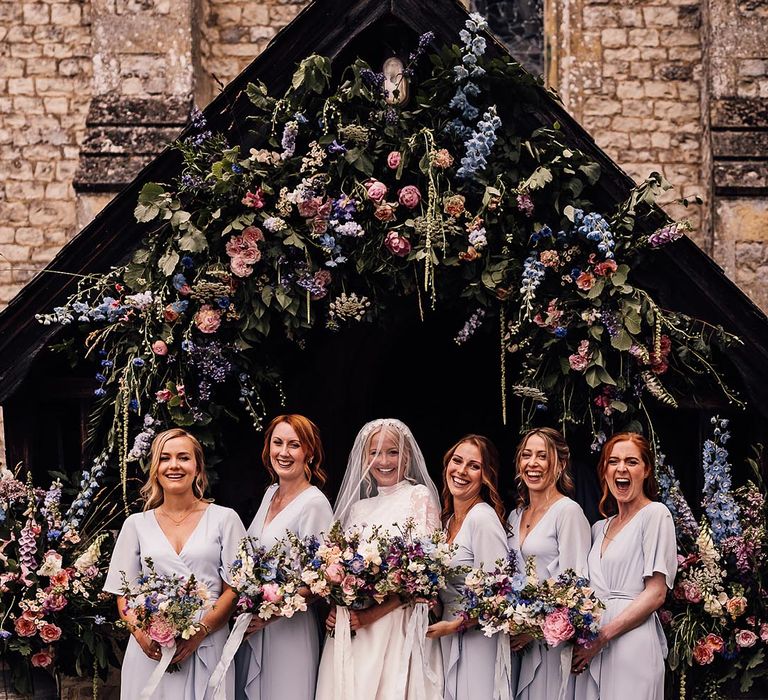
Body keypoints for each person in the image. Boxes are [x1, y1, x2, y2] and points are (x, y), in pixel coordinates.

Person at [104, 428, 246, 700]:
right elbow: (124, 594)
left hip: (207, 642)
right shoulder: (135, 524)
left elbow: (234, 589)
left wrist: (200, 632)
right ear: (155, 468)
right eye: (165, 458)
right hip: (151, 647)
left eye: (183, 457)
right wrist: (142, 635)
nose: (174, 466)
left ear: (197, 467)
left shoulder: (225, 519)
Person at [315, 418, 443, 700]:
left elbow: (423, 579)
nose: (383, 461)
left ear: (407, 456)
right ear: (364, 458)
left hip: (395, 625)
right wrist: (338, 603)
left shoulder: (417, 497)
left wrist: (370, 615)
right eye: (374, 452)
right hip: (355, 628)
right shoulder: (359, 509)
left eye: (392, 452)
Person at [234, 414, 333, 700]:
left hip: (289, 628)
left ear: (309, 453)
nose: (284, 452)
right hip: (255, 624)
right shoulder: (270, 494)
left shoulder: (314, 503)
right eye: (277, 443)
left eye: (294, 445)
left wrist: (273, 612)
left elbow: (322, 579)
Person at [572, 433, 677, 700]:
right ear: (604, 471)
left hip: (632, 641)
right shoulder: (599, 528)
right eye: (613, 461)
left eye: (631, 462)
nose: (621, 469)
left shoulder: (655, 515)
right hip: (593, 644)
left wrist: (603, 637)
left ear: (646, 470)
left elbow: (656, 593)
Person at [507, 428, 591, 700]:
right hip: (516, 641)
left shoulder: (568, 512)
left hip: (551, 642)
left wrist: (533, 630)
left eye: (542, 456)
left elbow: (576, 584)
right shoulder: (514, 516)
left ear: (560, 464)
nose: (532, 463)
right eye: (526, 455)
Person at [426, 435, 511, 700]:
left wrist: (452, 626)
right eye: (457, 461)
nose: (461, 471)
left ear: (486, 475)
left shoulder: (483, 519)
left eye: (474, 466)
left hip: (478, 638)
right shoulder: (447, 521)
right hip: (448, 632)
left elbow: (499, 595)